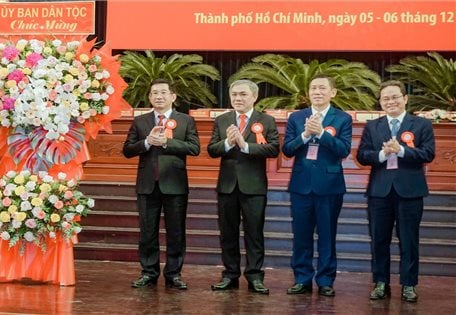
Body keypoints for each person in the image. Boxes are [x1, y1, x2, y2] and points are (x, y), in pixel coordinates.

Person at [356, 80, 435, 303]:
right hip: (379, 192)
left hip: (410, 191)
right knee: (379, 240)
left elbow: (428, 154)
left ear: (405, 99)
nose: (390, 101)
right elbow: (362, 155)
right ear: (380, 102)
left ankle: (409, 285)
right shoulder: (373, 126)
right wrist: (382, 155)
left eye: (394, 97)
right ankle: (381, 283)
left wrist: (400, 151)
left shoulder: (421, 124)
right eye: (385, 98)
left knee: (409, 240)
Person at [122, 78, 200, 290]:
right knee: (147, 232)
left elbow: (194, 148)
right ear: (149, 97)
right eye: (155, 93)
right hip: (147, 185)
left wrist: (167, 142)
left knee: (176, 232)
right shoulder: (140, 121)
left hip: (175, 185)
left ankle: (173, 274)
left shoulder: (185, 121)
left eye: (163, 92)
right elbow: (127, 150)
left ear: (173, 96)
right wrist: (147, 142)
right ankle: (148, 272)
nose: (159, 96)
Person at [282, 73, 353, 297]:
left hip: (329, 186)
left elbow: (343, 150)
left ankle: (325, 280)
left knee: (327, 235)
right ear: (308, 92)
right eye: (313, 88)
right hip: (301, 185)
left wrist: (321, 133)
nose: (317, 92)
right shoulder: (296, 117)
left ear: (333, 92)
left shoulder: (342, 118)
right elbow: (287, 150)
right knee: (301, 235)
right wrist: (305, 134)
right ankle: (302, 279)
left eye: (322, 88)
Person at [207, 80, 279, 294]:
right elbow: (212, 149)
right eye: (234, 94)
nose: (238, 98)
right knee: (227, 233)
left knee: (254, 233)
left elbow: (274, 149)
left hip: (254, 187)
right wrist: (228, 143)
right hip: (227, 186)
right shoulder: (222, 120)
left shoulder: (266, 120)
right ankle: (230, 275)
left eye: (242, 94)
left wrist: (245, 145)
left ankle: (255, 276)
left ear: (254, 97)